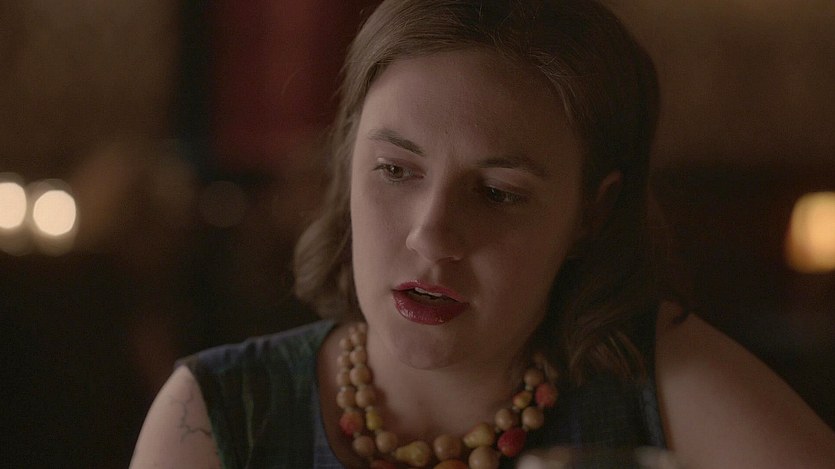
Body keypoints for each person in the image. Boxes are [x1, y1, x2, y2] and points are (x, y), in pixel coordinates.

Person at [130, 1, 835, 468]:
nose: (431, 237)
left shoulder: (658, 385)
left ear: (591, 212)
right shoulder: (219, 414)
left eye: (498, 193)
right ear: (345, 166)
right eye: (395, 171)